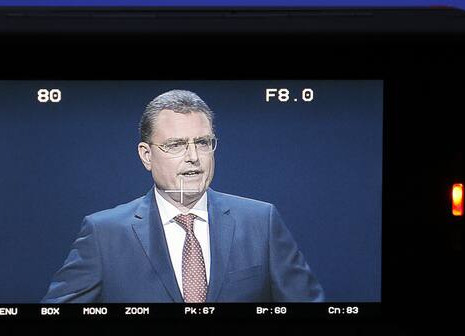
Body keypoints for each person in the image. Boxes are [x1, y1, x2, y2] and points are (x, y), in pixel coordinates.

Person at [42, 89, 324, 303]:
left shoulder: (261, 221)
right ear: (146, 155)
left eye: (202, 143)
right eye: (176, 145)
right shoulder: (103, 234)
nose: (193, 157)